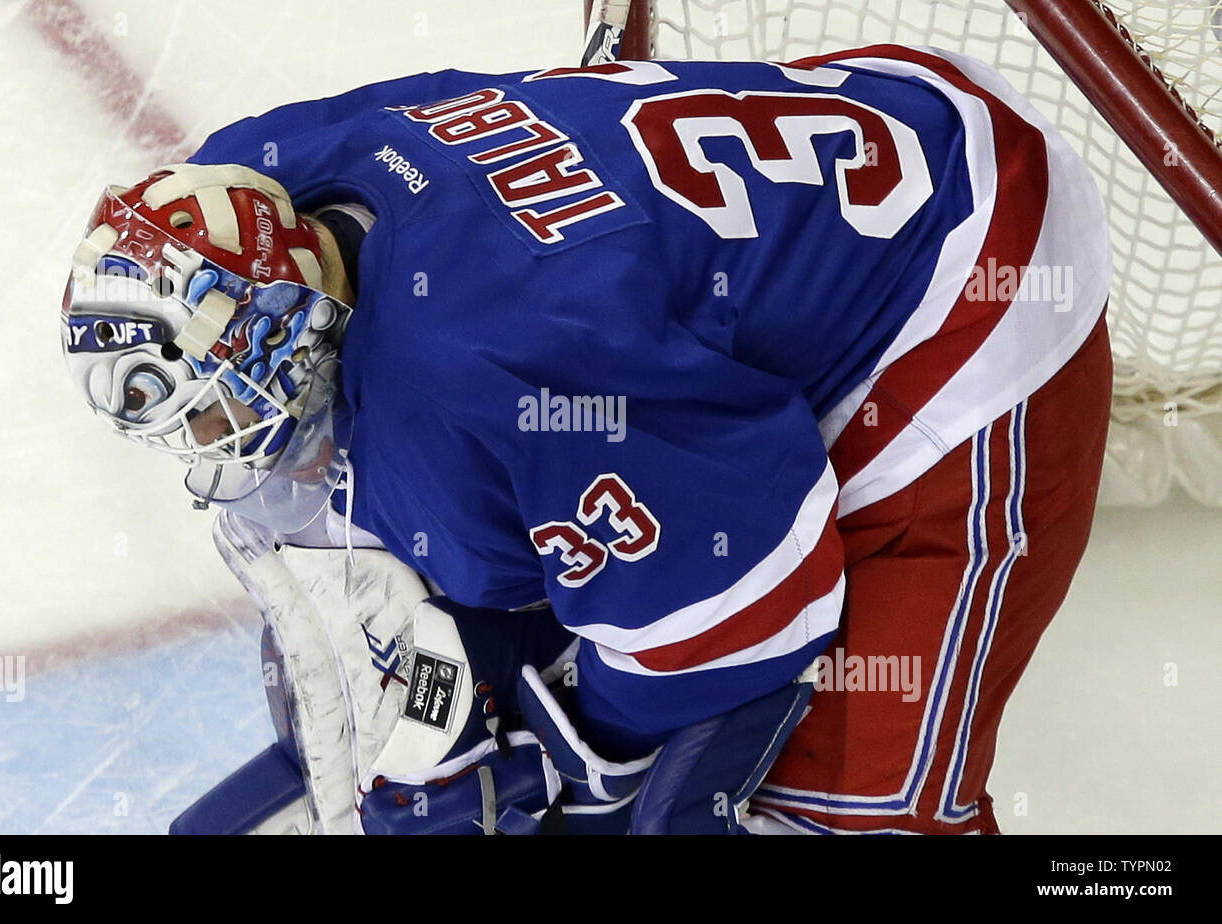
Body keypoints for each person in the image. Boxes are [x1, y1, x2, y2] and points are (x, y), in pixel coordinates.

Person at [60, 48, 1112, 835]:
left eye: (208, 405)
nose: (207, 445)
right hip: (865, 123)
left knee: (845, 808)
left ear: (286, 332)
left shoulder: (483, 369)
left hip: (971, 277)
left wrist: (578, 743)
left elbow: (747, 607)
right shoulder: (264, 176)